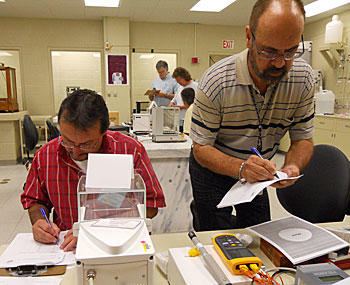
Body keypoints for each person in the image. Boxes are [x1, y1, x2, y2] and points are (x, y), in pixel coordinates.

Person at [189, 0, 314, 231]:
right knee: (216, 235)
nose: (279, 62)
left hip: (259, 172)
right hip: (212, 166)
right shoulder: (216, 81)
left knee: (259, 233)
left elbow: (303, 139)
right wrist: (241, 168)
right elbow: (201, 149)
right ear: (249, 37)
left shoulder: (303, 78)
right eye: (269, 51)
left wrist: (293, 166)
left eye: (290, 52)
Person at [21, 89, 166, 251]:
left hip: (118, 243)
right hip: (66, 248)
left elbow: (152, 205)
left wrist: (96, 228)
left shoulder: (129, 150)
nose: (75, 152)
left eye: (85, 144)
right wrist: (40, 221)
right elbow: (36, 201)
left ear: (105, 131)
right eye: (67, 141)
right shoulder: (45, 155)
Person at [169, 67, 198, 132]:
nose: (178, 82)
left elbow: (195, 104)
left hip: (190, 119)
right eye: (177, 81)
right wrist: (172, 103)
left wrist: (180, 107)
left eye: (179, 80)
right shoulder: (180, 87)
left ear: (184, 77)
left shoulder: (196, 86)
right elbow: (175, 98)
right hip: (179, 119)